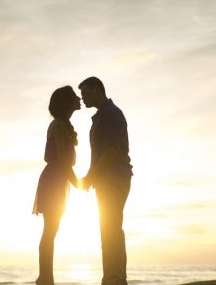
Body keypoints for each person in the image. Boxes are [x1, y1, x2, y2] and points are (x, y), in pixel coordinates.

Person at [79, 76, 133, 285]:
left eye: (85, 94)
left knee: (111, 228)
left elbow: (111, 151)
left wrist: (91, 176)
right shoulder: (101, 116)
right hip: (106, 179)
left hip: (115, 178)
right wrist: (92, 176)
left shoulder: (111, 114)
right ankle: (114, 277)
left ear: (97, 90)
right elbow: (101, 154)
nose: (82, 99)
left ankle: (114, 278)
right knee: (109, 228)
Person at [33, 86, 81, 285]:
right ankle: (45, 278)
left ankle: (46, 277)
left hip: (58, 179)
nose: (79, 99)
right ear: (66, 103)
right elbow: (62, 159)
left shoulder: (62, 124)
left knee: (52, 230)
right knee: (50, 230)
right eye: (74, 97)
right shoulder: (59, 125)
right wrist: (79, 183)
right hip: (54, 179)